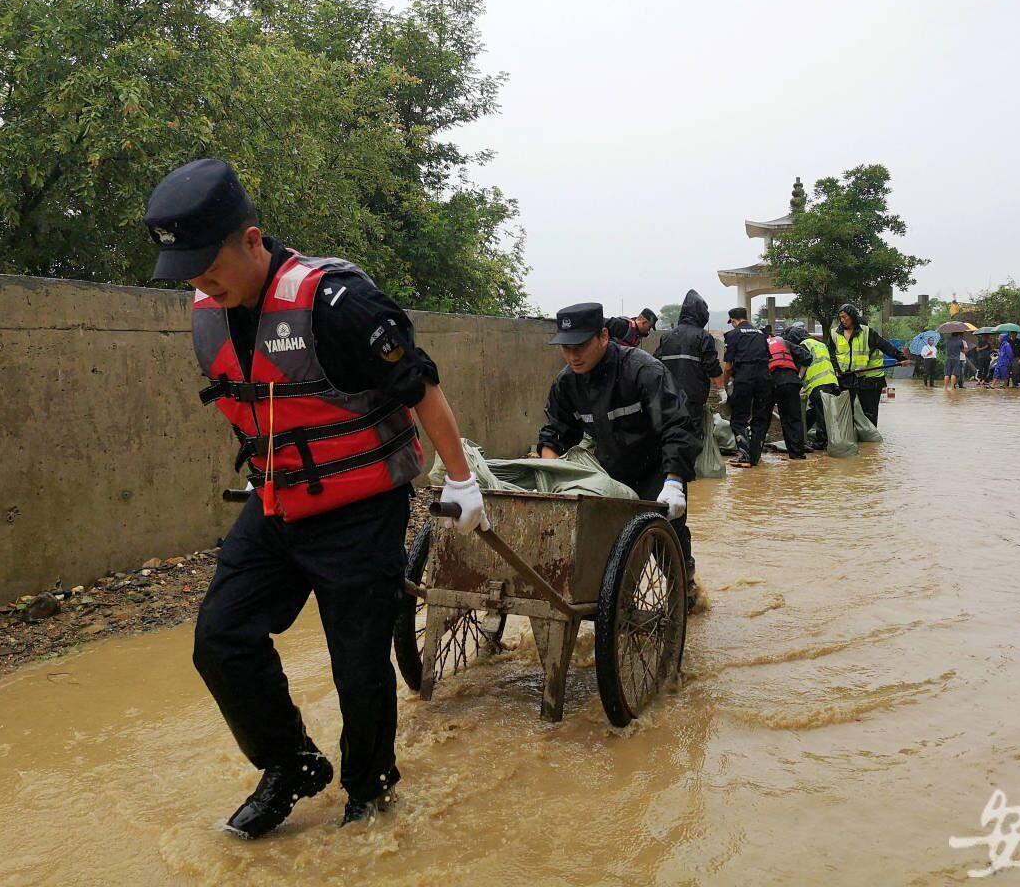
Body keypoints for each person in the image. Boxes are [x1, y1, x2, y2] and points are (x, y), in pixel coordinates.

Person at [143, 159, 487, 838]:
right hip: (276, 502)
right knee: (220, 638)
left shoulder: (335, 303)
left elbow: (419, 387)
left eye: (208, 267)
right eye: (188, 273)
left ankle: (369, 793)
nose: (200, 285)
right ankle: (290, 763)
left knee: (357, 661)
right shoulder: (208, 312)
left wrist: (460, 478)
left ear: (251, 240)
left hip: (360, 510)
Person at [536, 302, 699, 608]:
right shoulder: (567, 383)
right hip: (609, 471)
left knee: (668, 538)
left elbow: (677, 426)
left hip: (657, 469)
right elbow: (554, 434)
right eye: (565, 347)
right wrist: (551, 477)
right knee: (609, 546)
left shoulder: (642, 371)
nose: (573, 355)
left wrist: (674, 481)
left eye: (580, 345)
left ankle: (684, 586)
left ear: (603, 336)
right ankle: (620, 607)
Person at [655, 290, 724, 582]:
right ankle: (680, 486)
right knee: (685, 459)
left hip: (663, 407)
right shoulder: (703, 337)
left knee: (665, 455)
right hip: (691, 409)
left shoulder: (668, 337)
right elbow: (713, 368)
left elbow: (655, 367)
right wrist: (721, 390)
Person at [831, 303, 909, 426]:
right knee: (846, 412)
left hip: (863, 377)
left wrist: (901, 357)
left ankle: (869, 441)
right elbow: (831, 354)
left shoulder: (866, 332)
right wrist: (835, 369)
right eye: (840, 317)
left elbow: (884, 345)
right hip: (844, 378)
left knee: (869, 413)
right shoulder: (834, 334)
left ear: (852, 316)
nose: (842, 320)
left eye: (845, 317)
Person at [721, 307, 772, 467]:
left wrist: (723, 386)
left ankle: (744, 457)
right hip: (764, 378)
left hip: (745, 378)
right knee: (760, 418)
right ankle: (755, 458)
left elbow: (728, 367)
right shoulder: (761, 334)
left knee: (738, 419)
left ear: (734, 321)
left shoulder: (733, 335)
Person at [790, 323, 839, 450]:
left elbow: (803, 365)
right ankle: (803, 433)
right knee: (816, 411)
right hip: (831, 382)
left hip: (818, 384)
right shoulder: (820, 343)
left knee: (821, 415)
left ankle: (821, 442)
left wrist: (798, 380)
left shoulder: (803, 345)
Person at [767, 328, 811, 459]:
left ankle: (755, 456)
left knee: (768, 419)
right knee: (794, 419)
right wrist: (799, 376)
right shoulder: (784, 343)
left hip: (773, 383)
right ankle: (797, 455)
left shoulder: (761, 345)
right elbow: (807, 357)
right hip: (792, 382)